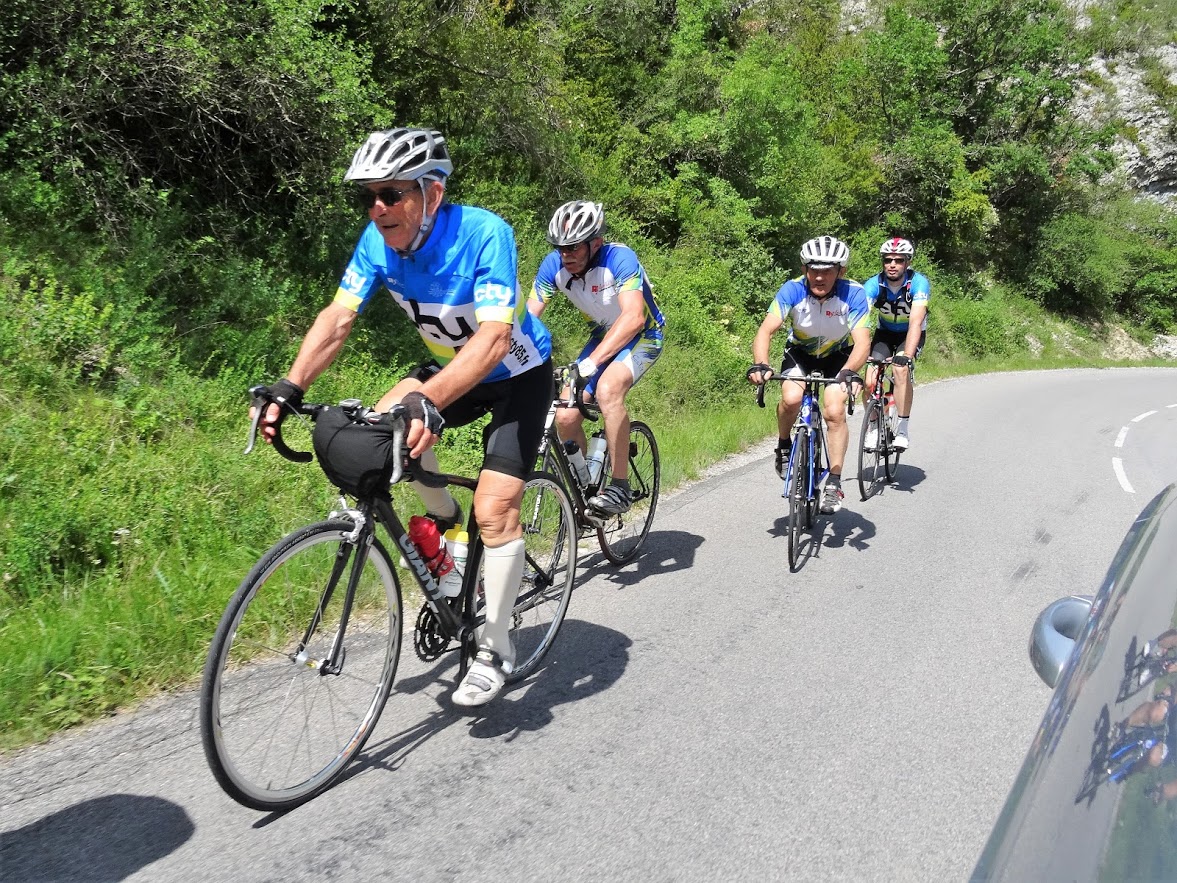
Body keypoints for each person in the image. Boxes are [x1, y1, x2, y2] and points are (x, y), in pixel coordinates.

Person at [254, 127, 553, 708]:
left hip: (515, 374)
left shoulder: (485, 234)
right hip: (449, 370)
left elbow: (493, 339)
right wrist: (293, 385)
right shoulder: (376, 241)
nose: (377, 207)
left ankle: (494, 646)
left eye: (391, 193)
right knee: (383, 432)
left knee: (495, 511)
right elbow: (338, 319)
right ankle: (445, 525)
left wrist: (431, 400)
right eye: (368, 195)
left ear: (432, 193)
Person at [527, 200, 665, 514]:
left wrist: (589, 365)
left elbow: (633, 319)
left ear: (596, 242)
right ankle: (588, 486)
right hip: (603, 337)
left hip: (644, 335)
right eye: (561, 248)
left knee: (608, 391)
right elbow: (528, 320)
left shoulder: (620, 258)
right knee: (565, 415)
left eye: (574, 247)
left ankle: (620, 487)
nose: (567, 255)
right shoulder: (554, 267)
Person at [747, 235, 870, 514]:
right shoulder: (791, 289)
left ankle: (834, 483)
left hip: (838, 357)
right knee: (791, 399)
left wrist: (850, 372)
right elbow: (766, 330)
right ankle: (783, 445)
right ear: (804, 269)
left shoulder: (854, 293)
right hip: (800, 353)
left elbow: (862, 341)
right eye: (813, 269)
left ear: (841, 272)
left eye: (828, 270)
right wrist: (762, 364)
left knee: (835, 411)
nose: (819, 276)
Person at [860, 237, 930, 451]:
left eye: (898, 260)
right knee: (870, 379)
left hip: (909, 334)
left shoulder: (918, 283)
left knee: (900, 371)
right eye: (888, 260)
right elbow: (860, 318)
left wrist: (907, 355)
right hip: (884, 333)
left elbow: (916, 322)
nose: (892, 264)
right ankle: (873, 427)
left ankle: (902, 427)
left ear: (907, 262)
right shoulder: (874, 284)